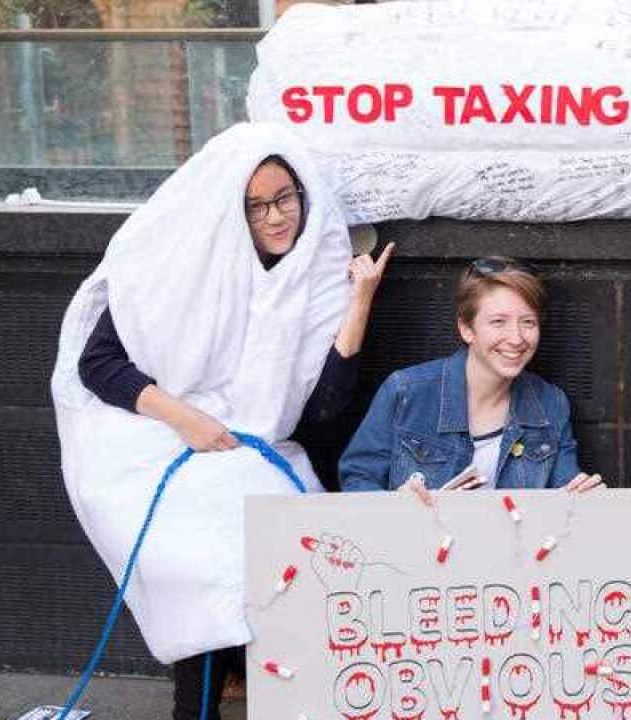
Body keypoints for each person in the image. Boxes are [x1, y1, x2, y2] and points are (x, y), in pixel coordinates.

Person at [52, 123, 392, 720]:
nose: (277, 217)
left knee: (293, 555)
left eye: (285, 198)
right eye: (257, 206)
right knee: (207, 563)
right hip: (151, 439)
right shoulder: (179, 266)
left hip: (255, 448)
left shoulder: (314, 274)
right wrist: (187, 420)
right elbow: (97, 363)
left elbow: (320, 416)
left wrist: (360, 301)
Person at [340, 256, 603, 498]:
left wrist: (583, 497)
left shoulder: (551, 403)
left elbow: (564, 495)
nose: (516, 338)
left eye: (528, 322)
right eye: (498, 322)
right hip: (421, 536)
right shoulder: (406, 392)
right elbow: (357, 479)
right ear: (466, 329)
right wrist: (397, 504)